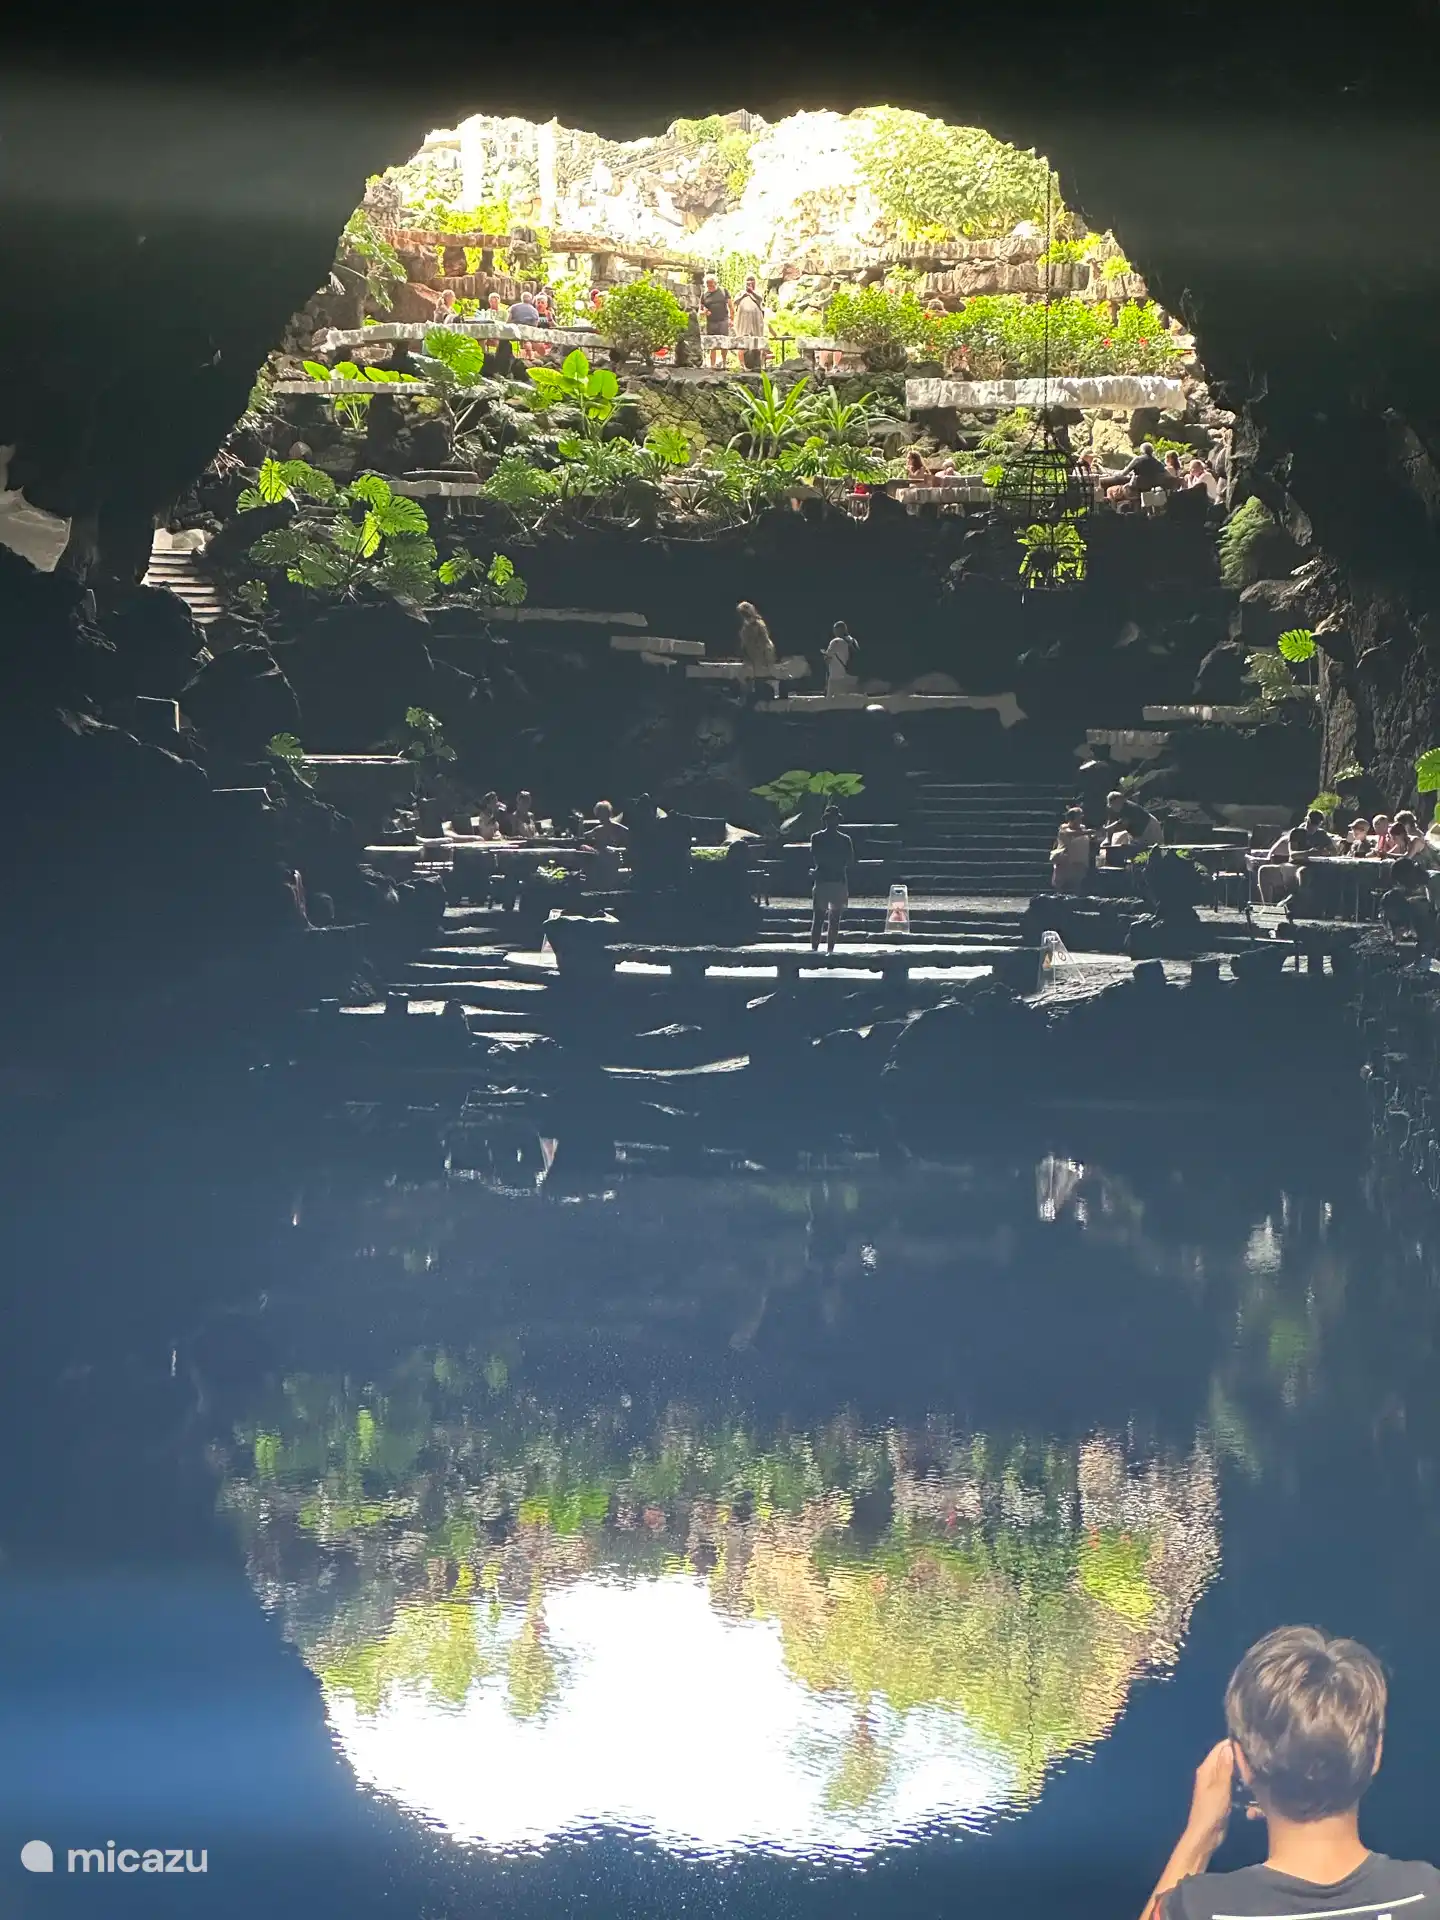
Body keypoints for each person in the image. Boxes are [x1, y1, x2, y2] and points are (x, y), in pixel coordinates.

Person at [1140, 1625, 1438, 1920]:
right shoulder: (1429, 1894)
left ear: (1242, 1764)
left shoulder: (1194, 1908)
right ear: (1375, 1755)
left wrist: (1201, 1834)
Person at [809, 805, 854, 955]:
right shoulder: (843, 839)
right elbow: (849, 861)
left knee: (830, 918)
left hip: (828, 879)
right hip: (832, 880)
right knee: (822, 918)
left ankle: (826, 950)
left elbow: (818, 858)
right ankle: (818, 949)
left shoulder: (818, 838)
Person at [1098, 789, 1162, 867]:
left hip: (1149, 827)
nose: (1118, 805)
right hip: (1136, 833)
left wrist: (1107, 829)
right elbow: (1110, 823)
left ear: (1122, 800)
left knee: (1149, 853)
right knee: (1133, 852)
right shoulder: (1112, 810)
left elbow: (1122, 826)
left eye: (1119, 802)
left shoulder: (1130, 808)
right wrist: (1108, 840)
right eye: (1115, 803)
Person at [737, 600, 780, 698]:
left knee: (760, 679)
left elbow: (765, 642)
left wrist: (766, 658)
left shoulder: (759, 625)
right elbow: (745, 642)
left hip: (762, 657)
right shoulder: (745, 627)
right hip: (752, 657)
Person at [1106, 441, 1167, 510]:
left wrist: (1114, 473)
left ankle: (1114, 514)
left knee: (1110, 490)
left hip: (1133, 489)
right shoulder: (1157, 462)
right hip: (1149, 490)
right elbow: (1164, 473)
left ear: (1142, 451)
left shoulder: (1138, 459)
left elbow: (1124, 473)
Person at [1051, 805, 1093, 891]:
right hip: (1066, 864)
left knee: (1076, 887)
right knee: (1062, 888)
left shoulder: (1083, 828)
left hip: (1080, 863)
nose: (1081, 819)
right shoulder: (1064, 828)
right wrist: (1088, 832)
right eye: (1079, 817)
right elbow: (1071, 833)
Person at [733, 275, 766, 366]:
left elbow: (760, 299)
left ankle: (759, 364)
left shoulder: (758, 292)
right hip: (743, 320)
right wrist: (744, 294)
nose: (750, 282)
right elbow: (735, 302)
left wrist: (752, 292)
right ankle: (742, 364)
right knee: (742, 340)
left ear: (755, 282)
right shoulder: (741, 292)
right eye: (748, 280)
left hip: (755, 319)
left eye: (752, 280)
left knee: (757, 340)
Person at [701, 274, 732, 367]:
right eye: (708, 285)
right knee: (712, 343)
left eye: (711, 284)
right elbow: (700, 309)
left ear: (715, 283)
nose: (710, 287)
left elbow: (731, 305)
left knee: (724, 342)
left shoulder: (723, 291)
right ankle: (712, 365)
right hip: (711, 322)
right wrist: (704, 312)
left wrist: (731, 319)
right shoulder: (704, 294)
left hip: (723, 320)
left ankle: (724, 363)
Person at [822, 620, 859, 696]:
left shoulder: (835, 642)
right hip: (853, 677)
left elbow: (827, 660)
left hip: (837, 678)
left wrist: (824, 654)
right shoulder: (853, 641)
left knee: (830, 702)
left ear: (837, 630)